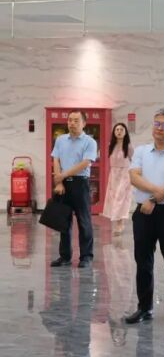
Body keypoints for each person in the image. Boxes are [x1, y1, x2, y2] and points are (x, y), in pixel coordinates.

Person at [125, 109, 164, 326]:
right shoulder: (141, 151)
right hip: (143, 213)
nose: (159, 129)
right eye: (156, 124)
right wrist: (156, 193)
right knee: (143, 262)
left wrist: (152, 199)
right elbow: (134, 177)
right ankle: (144, 308)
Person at [50, 110, 98, 269]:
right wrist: (59, 182)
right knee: (63, 221)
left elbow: (85, 163)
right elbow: (56, 159)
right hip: (62, 184)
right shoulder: (60, 140)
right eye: (70, 120)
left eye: (76, 120)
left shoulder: (90, 142)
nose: (72, 123)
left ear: (84, 123)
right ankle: (65, 257)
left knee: (84, 221)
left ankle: (86, 257)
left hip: (80, 184)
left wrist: (62, 175)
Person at [102, 122, 133, 235]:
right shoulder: (110, 145)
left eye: (121, 130)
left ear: (125, 132)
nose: (119, 132)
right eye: (117, 130)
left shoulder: (128, 146)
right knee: (114, 198)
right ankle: (117, 221)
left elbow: (133, 161)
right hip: (114, 175)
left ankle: (120, 223)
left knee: (121, 197)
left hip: (125, 174)